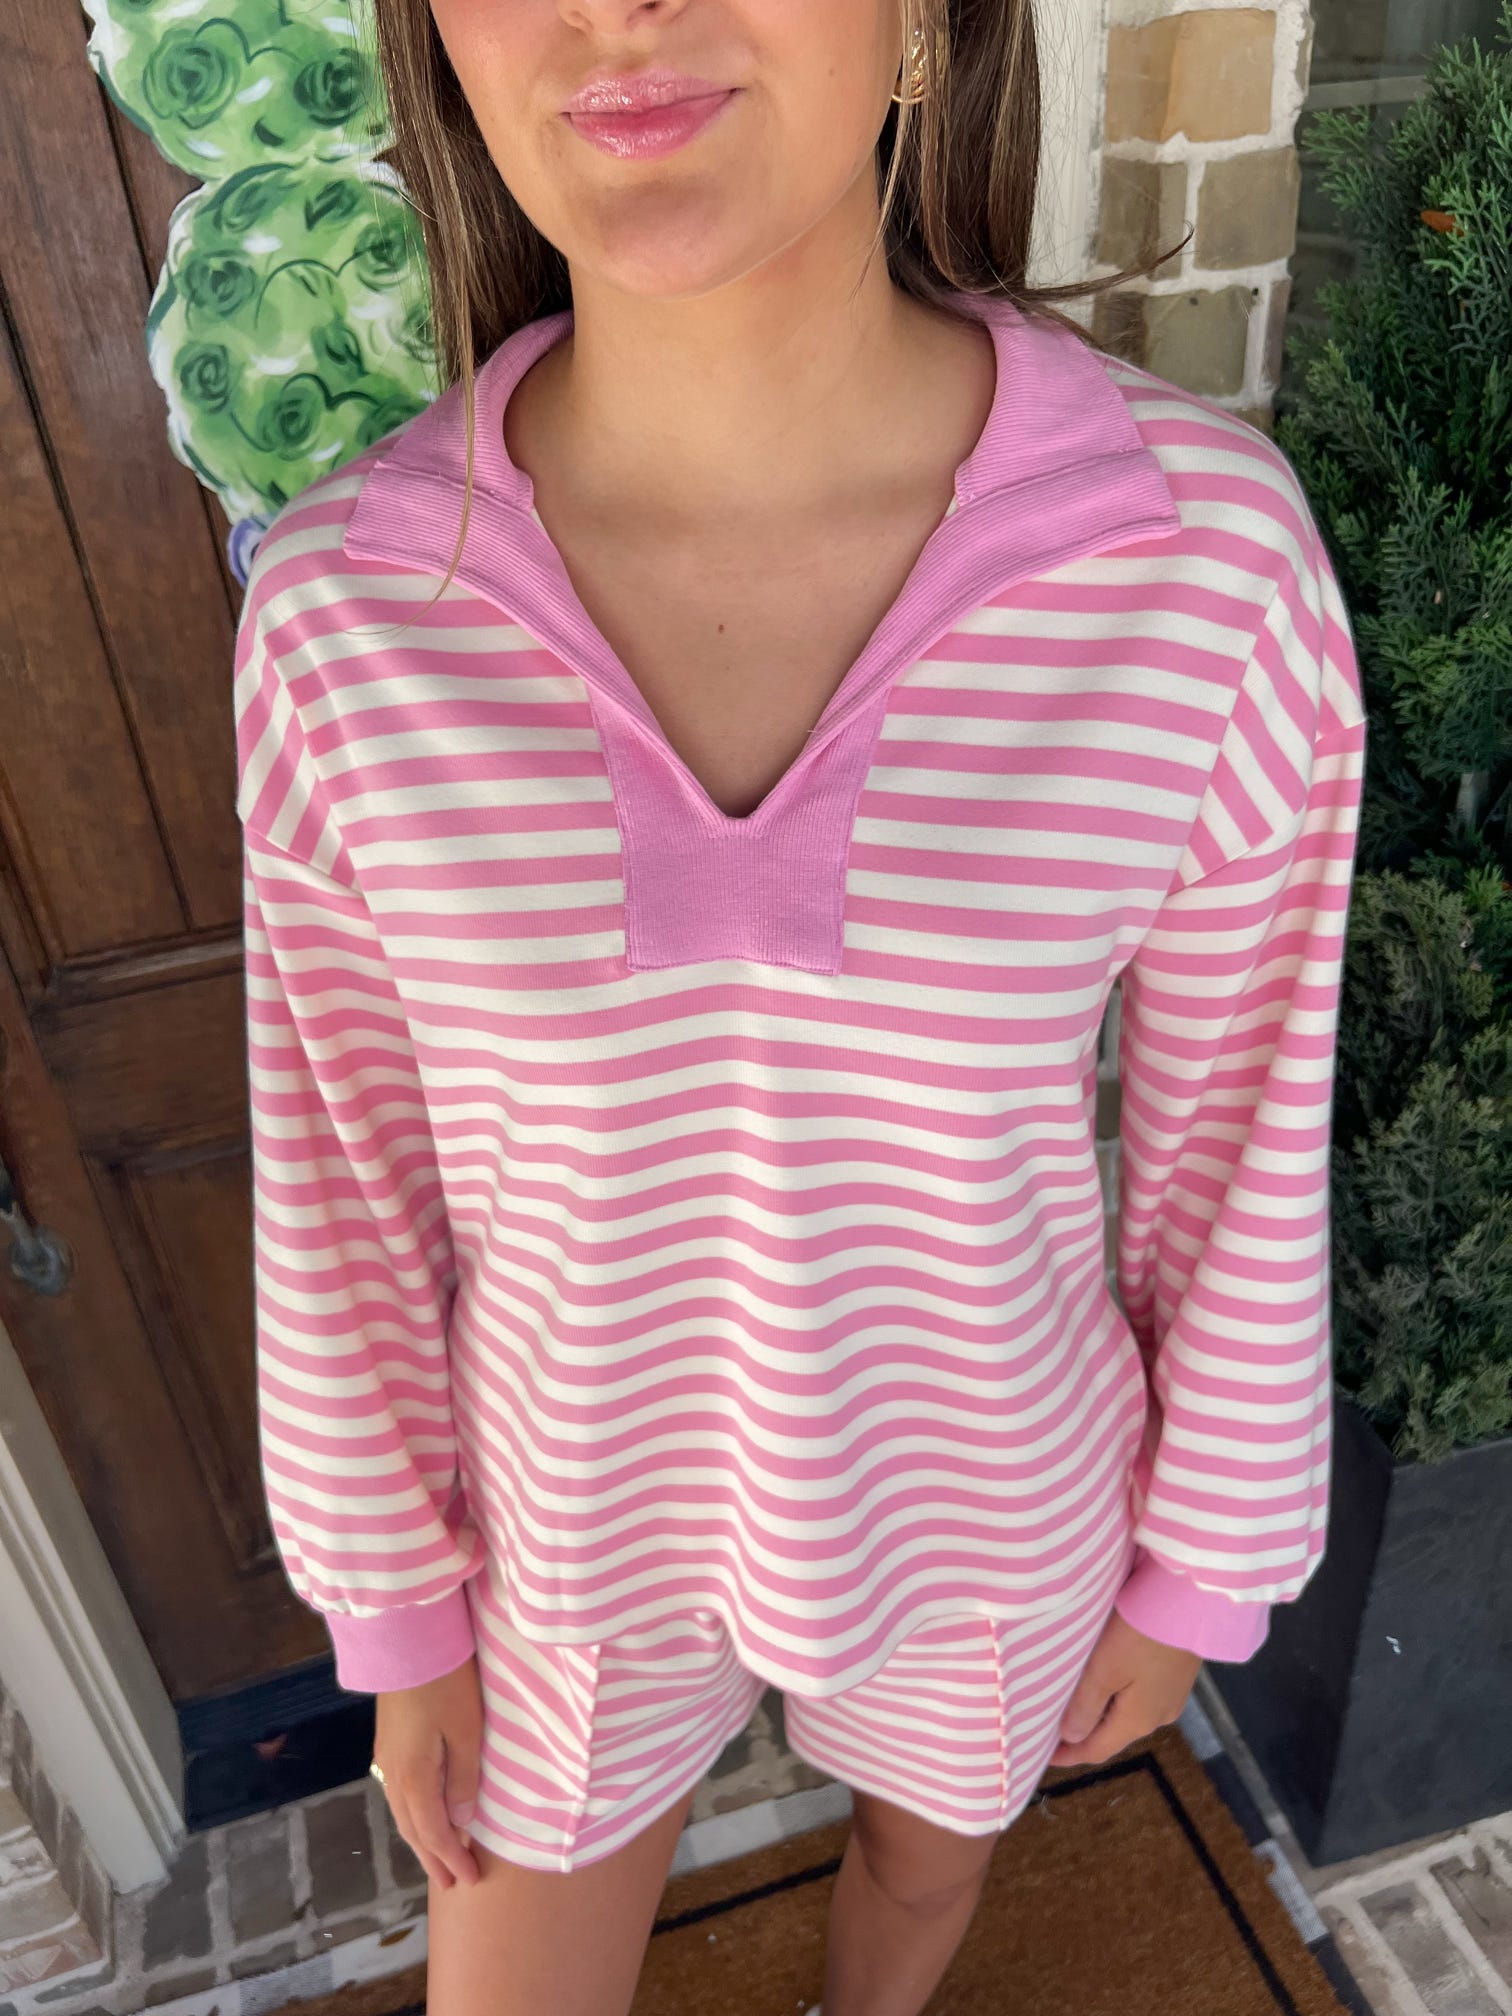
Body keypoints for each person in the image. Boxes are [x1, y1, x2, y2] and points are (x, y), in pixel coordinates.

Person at [232, 3, 1368, 2012]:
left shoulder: (1198, 570)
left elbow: (1238, 1148)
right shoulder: (346, 618)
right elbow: (343, 1191)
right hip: (559, 1535)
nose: (615, 6)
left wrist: (1206, 1558)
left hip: (994, 1507)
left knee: (920, 1896)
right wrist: (394, 1611)